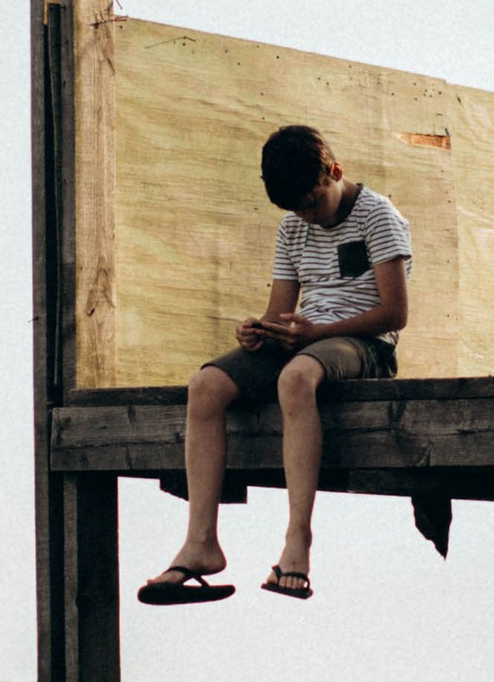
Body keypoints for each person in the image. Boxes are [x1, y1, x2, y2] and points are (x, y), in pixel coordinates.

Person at [137, 123, 411, 605]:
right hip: (305, 340)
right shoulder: (292, 226)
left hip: (364, 344)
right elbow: (280, 312)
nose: (307, 216)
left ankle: (297, 541)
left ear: (335, 172)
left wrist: (315, 333)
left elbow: (395, 314)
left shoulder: (378, 215)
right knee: (205, 385)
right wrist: (258, 332)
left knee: (296, 377)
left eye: (312, 203)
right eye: (296, 210)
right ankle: (201, 543)